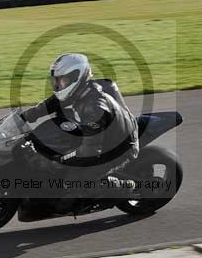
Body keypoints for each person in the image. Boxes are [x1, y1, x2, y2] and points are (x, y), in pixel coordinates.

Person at [20, 53, 139, 192]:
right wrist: (25, 116)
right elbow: (54, 102)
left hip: (116, 149)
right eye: (56, 81)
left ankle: (124, 186)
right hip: (98, 134)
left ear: (76, 77)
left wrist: (57, 162)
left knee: (73, 184)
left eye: (61, 81)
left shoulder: (94, 108)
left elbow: (90, 151)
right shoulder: (79, 90)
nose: (58, 85)